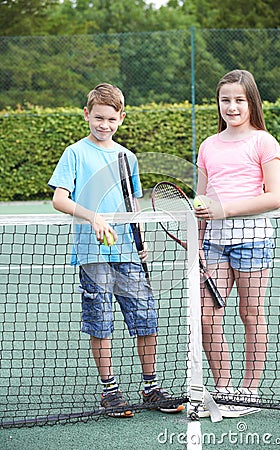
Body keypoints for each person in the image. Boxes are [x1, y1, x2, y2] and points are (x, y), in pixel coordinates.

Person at [48, 83, 184, 417]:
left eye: (110, 119)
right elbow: (59, 199)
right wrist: (94, 218)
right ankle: (110, 392)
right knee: (101, 322)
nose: (103, 124)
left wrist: (141, 237)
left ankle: (151, 387)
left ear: (121, 118)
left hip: (127, 252)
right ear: (86, 115)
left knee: (146, 319)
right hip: (92, 255)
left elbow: (131, 203)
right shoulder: (75, 154)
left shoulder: (128, 158)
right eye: (98, 117)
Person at [194, 70, 280, 418]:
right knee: (206, 317)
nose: (231, 106)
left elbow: (274, 198)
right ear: (218, 103)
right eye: (225, 99)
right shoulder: (208, 146)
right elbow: (203, 201)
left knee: (251, 314)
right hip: (214, 245)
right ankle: (225, 388)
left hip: (253, 242)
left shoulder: (264, 142)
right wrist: (198, 243)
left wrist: (224, 210)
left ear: (251, 102)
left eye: (239, 100)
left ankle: (249, 391)